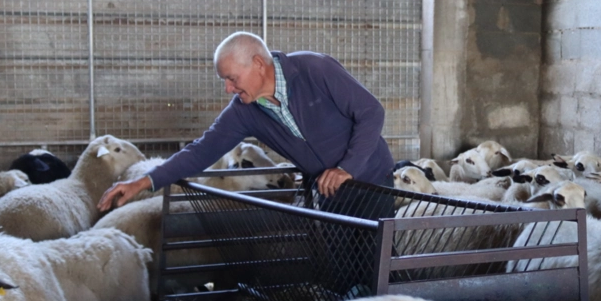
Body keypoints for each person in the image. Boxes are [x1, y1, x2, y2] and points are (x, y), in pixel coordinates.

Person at [97, 31, 394, 211]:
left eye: (231, 78)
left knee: (376, 265)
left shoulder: (313, 69)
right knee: (342, 271)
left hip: (371, 179)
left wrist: (347, 168)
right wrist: (144, 182)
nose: (228, 88)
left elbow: (371, 112)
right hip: (328, 191)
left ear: (257, 64)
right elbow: (201, 151)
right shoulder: (244, 110)